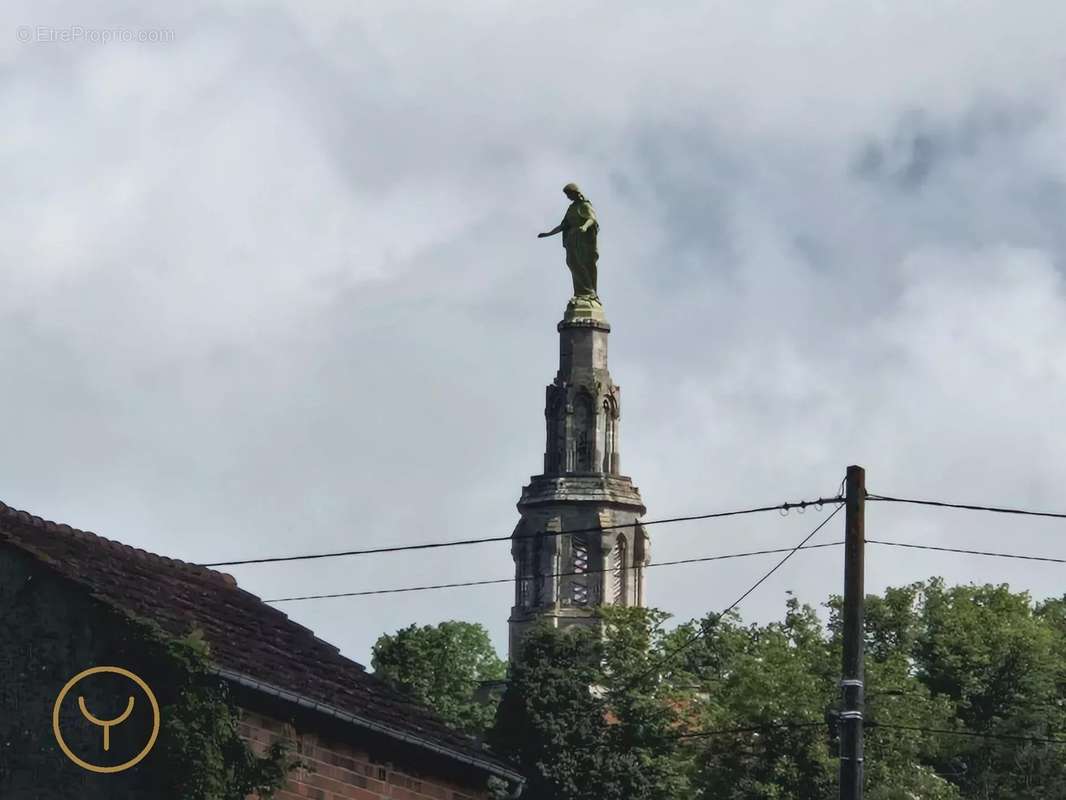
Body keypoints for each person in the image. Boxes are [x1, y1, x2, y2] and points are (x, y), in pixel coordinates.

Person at [537, 183, 600, 302]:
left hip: (583, 240)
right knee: (572, 262)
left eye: (568, 194)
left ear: (575, 192)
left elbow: (592, 219)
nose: (568, 197)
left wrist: (585, 227)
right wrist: (548, 234)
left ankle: (590, 292)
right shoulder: (571, 208)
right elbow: (563, 225)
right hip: (572, 241)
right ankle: (581, 293)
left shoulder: (585, 205)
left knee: (584, 264)